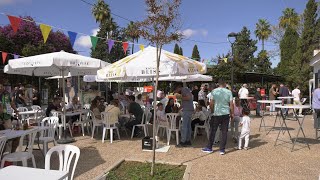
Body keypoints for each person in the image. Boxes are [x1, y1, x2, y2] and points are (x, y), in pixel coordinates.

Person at [202, 79, 234, 155]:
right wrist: (232, 113)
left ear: (218, 84)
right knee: (224, 132)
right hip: (225, 113)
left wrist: (212, 111)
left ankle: (209, 147)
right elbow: (231, 105)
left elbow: (211, 103)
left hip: (217, 113)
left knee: (213, 130)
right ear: (225, 84)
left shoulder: (214, 91)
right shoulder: (229, 92)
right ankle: (222, 149)